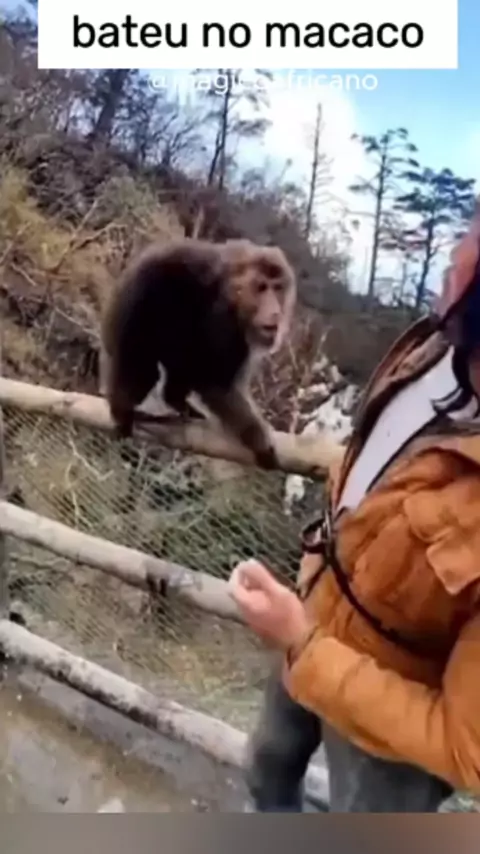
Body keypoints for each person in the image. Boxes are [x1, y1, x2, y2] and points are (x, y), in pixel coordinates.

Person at [228, 209, 480, 813]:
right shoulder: (431, 346)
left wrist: (304, 643)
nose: (456, 248)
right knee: (266, 775)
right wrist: (306, 614)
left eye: (473, 239)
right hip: (316, 609)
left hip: (388, 721)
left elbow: (466, 747)